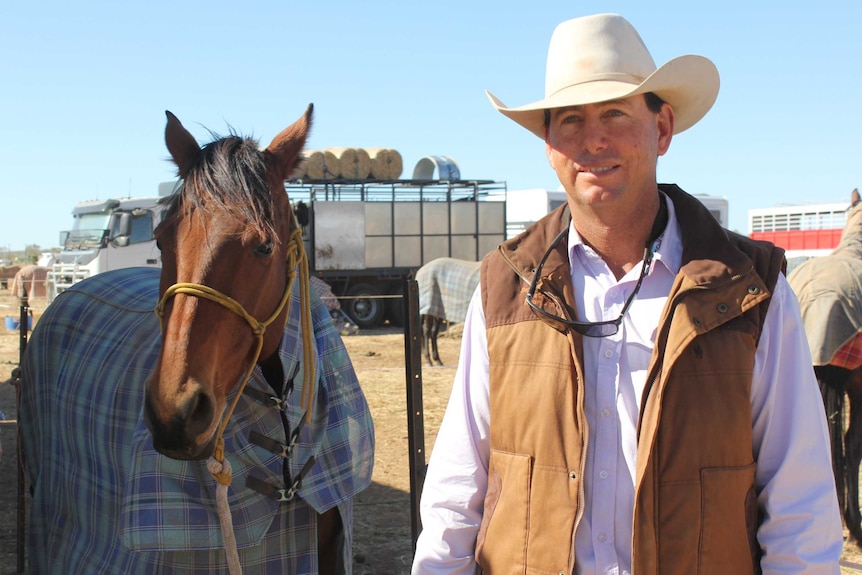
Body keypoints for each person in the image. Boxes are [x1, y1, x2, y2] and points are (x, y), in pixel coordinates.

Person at [411, 13, 843, 575]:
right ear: (548, 144)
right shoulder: (502, 292)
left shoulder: (751, 293)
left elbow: (800, 509)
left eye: (615, 112)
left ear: (662, 128)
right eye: (570, 120)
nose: (593, 139)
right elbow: (455, 496)